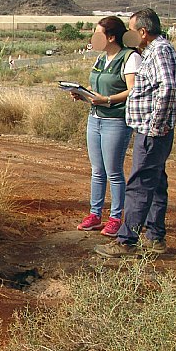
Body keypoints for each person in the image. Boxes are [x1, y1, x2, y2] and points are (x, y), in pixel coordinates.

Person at [95, 8, 176, 258]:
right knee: (155, 182)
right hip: (152, 129)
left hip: (153, 131)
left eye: (131, 31)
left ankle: (126, 241)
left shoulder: (160, 51)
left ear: (143, 32)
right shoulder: (154, 51)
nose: (128, 35)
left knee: (140, 183)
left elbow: (168, 88)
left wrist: (156, 124)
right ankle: (155, 237)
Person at [74, 16, 141, 236]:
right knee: (97, 170)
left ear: (111, 36)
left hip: (116, 121)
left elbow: (133, 90)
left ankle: (115, 217)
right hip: (95, 118)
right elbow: (97, 89)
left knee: (113, 172)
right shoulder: (102, 59)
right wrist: (83, 96)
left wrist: (108, 100)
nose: (94, 38)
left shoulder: (129, 58)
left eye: (98, 33)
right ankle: (95, 214)